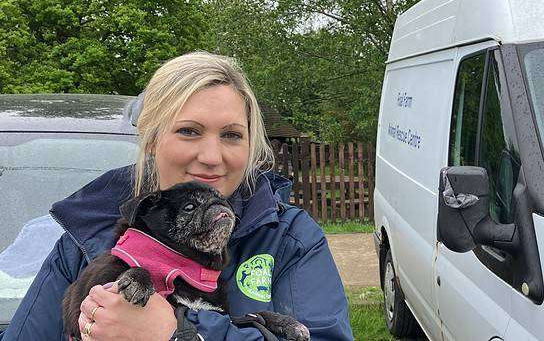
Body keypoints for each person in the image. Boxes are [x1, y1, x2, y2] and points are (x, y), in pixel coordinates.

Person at [2, 52, 354, 340]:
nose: (212, 156)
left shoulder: (287, 238)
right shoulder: (84, 237)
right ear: (152, 139)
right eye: (189, 131)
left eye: (231, 135)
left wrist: (179, 332)